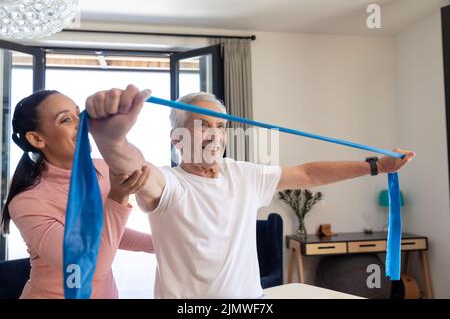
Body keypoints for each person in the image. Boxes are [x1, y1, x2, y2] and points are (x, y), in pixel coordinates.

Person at [86, 84, 415, 298]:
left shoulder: (242, 174)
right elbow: (134, 167)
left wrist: (376, 167)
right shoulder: (170, 184)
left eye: (221, 126)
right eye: (203, 125)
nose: (215, 134)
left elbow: (308, 173)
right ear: (176, 138)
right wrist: (110, 140)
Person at [0, 90, 154, 299]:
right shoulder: (27, 203)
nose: (80, 122)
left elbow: (105, 234)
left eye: (78, 114)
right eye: (65, 119)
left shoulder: (101, 169)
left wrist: (162, 245)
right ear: (37, 138)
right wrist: (117, 198)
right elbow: (87, 269)